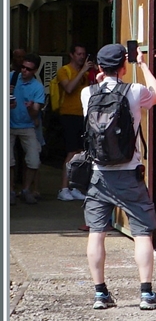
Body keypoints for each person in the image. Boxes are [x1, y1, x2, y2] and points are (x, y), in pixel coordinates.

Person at [81, 43, 156, 310]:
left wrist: (99, 80)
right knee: (142, 233)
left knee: (96, 233)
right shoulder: (134, 91)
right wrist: (142, 64)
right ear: (123, 65)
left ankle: (100, 294)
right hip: (129, 173)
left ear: (99, 67)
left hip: (98, 175)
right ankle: (146, 294)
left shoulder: (87, 93)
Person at [52, 44, 94, 201]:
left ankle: (74, 186)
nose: (81, 57)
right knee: (71, 152)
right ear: (71, 55)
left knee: (80, 153)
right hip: (68, 115)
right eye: (78, 54)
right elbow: (69, 88)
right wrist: (82, 71)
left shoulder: (86, 72)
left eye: (83, 54)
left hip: (83, 115)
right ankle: (63, 188)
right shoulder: (64, 71)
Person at [9, 54, 46, 203]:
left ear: (35, 71)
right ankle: (10, 191)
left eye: (28, 69)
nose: (24, 71)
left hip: (27, 125)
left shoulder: (37, 87)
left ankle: (25, 189)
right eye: (22, 67)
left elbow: (35, 112)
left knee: (33, 160)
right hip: (8, 124)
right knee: (8, 161)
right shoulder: (11, 77)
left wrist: (31, 108)